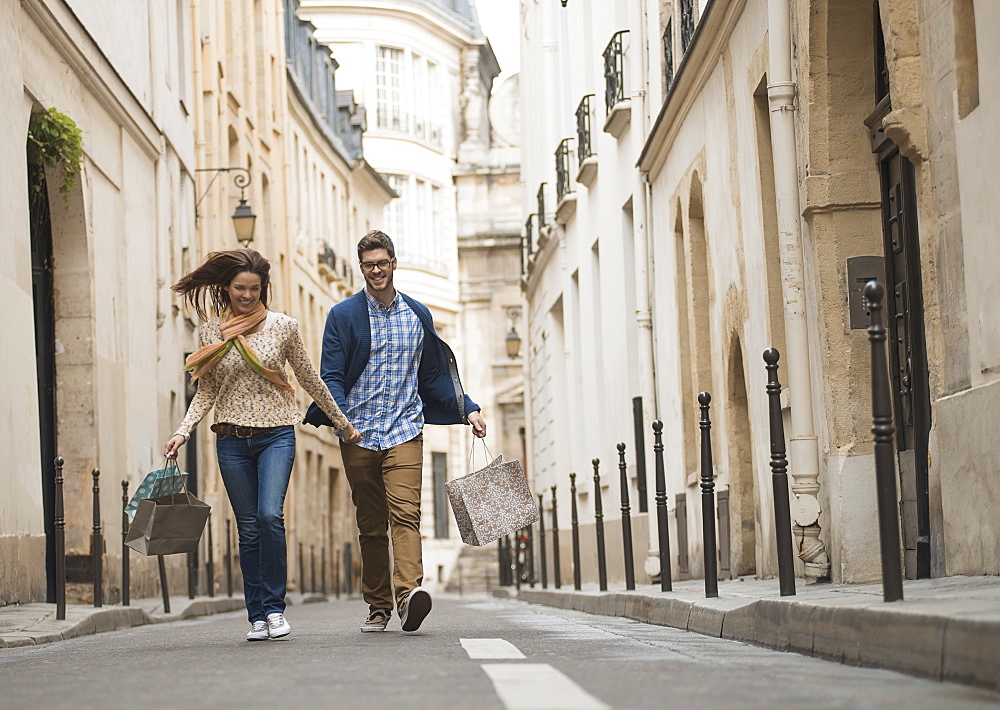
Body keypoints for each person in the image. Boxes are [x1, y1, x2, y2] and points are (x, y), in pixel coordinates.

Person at [162, 248, 361, 642]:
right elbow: (207, 390)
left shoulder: (283, 326)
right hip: (231, 440)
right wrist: (183, 430)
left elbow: (309, 379)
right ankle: (256, 615)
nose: (247, 296)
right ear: (227, 288)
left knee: (270, 516)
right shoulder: (210, 332)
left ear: (263, 289)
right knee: (248, 528)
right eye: (240, 288)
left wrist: (342, 423)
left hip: (276, 436)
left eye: (254, 289)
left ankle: (274, 609)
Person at [305, 230, 486, 633]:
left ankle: (407, 596)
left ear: (393, 263)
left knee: (406, 514)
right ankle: (378, 605)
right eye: (368, 264)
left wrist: (467, 408)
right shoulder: (343, 316)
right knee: (371, 523)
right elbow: (331, 375)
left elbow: (435, 376)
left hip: (404, 429)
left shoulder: (417, 314)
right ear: (361, 267)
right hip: (357, 434)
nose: (375, 271)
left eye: (382, 263)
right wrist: (340, 420)